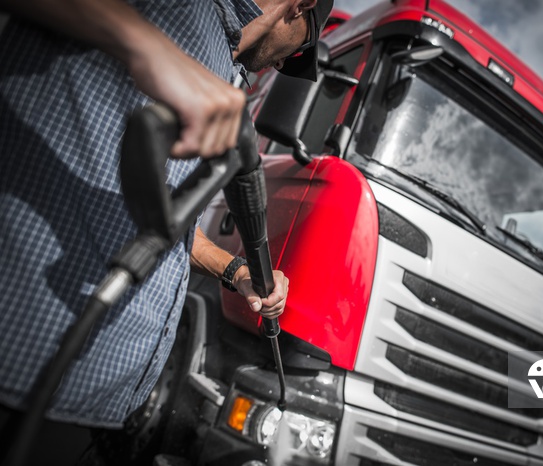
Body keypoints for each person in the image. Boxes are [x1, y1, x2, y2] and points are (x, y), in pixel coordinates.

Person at [0, 0, 334, 462]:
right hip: (26, 362)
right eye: (297, 53)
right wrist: (145, 46)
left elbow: (173, 224)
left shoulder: (226, 70)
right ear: (301, 6)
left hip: (94, 396)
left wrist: (238, 271)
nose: (281, 63)